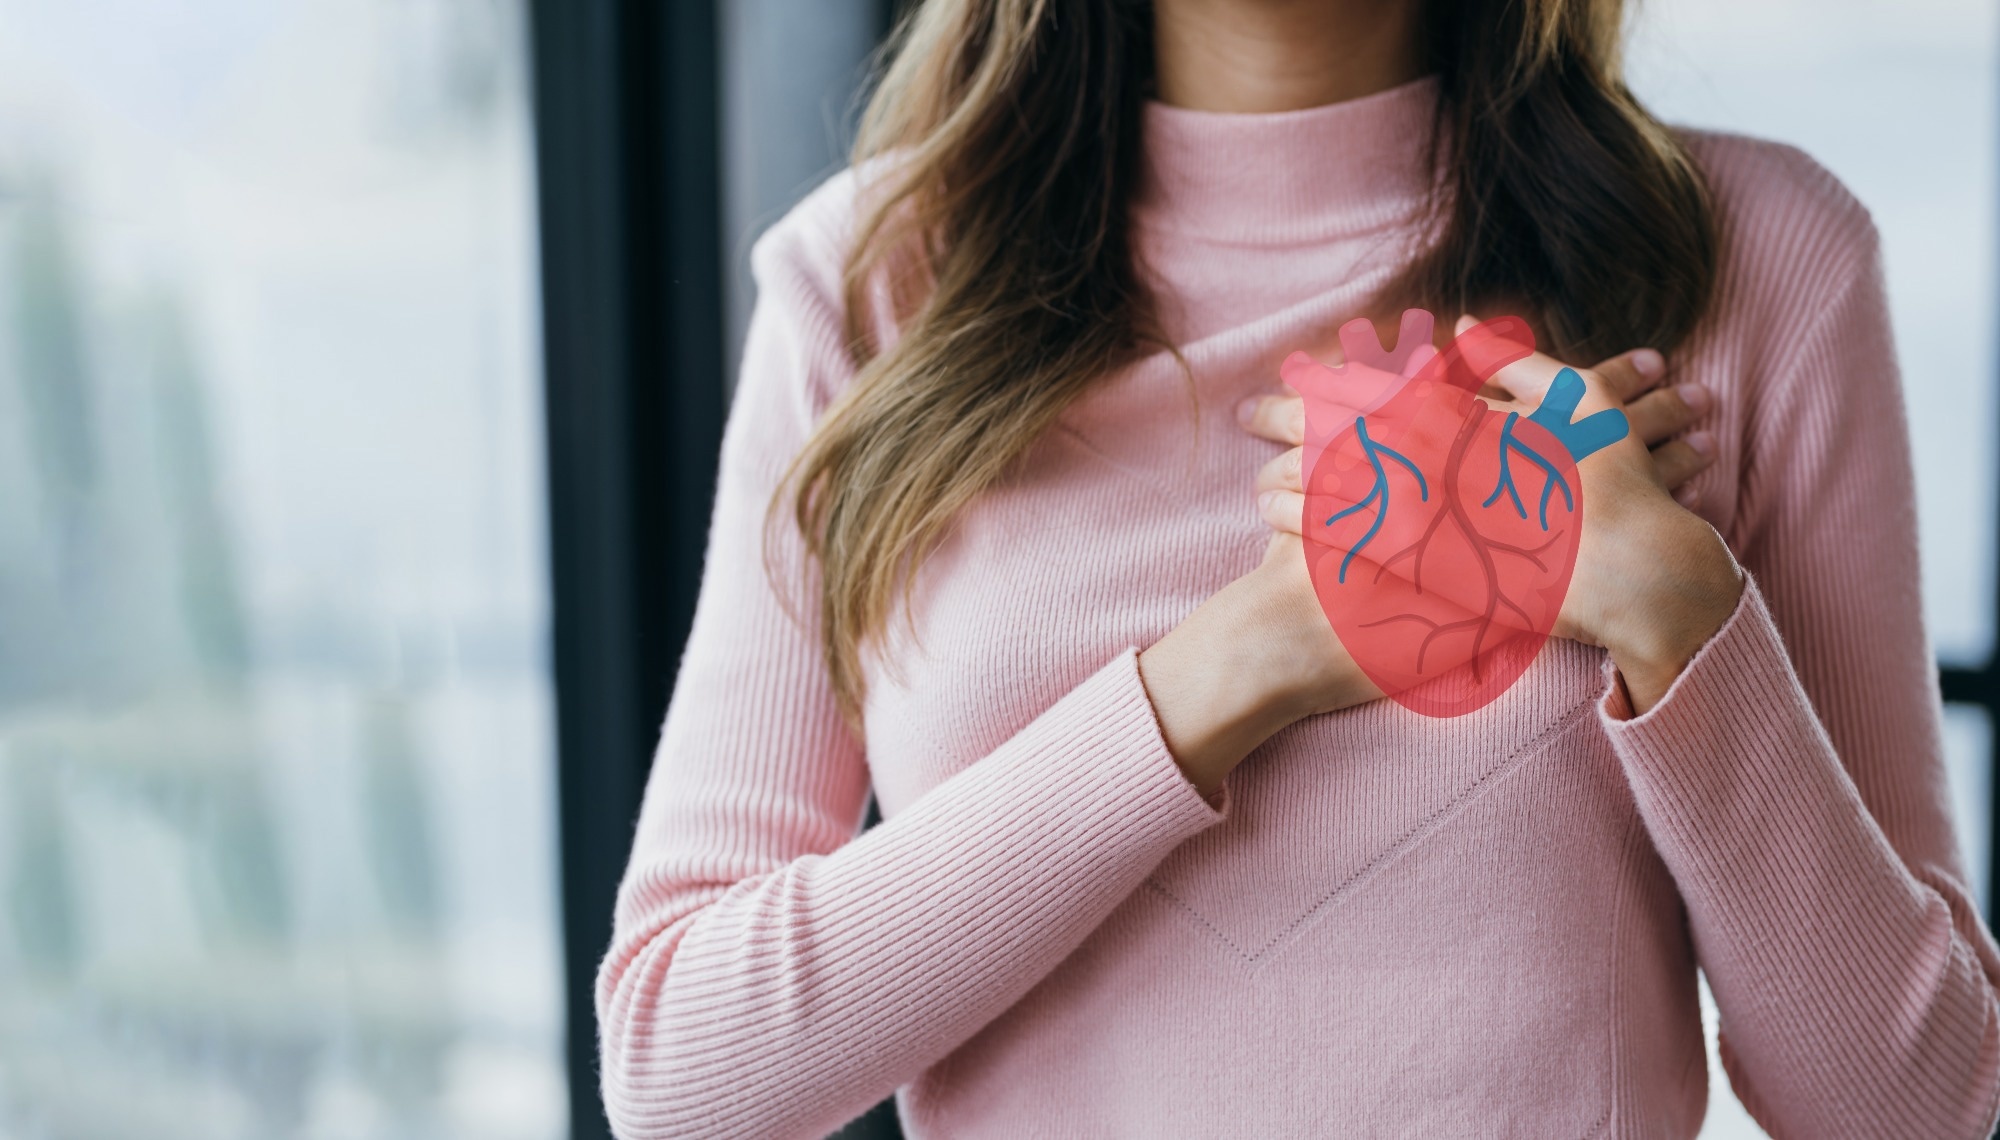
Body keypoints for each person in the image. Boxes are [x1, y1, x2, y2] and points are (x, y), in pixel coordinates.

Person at [596, 1, 2000, 1136]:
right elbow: (682, 1064)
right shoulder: (868, 290)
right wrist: (1253, 656)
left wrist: (1675, 610)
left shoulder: (1759, 265)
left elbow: (1920, 1106)